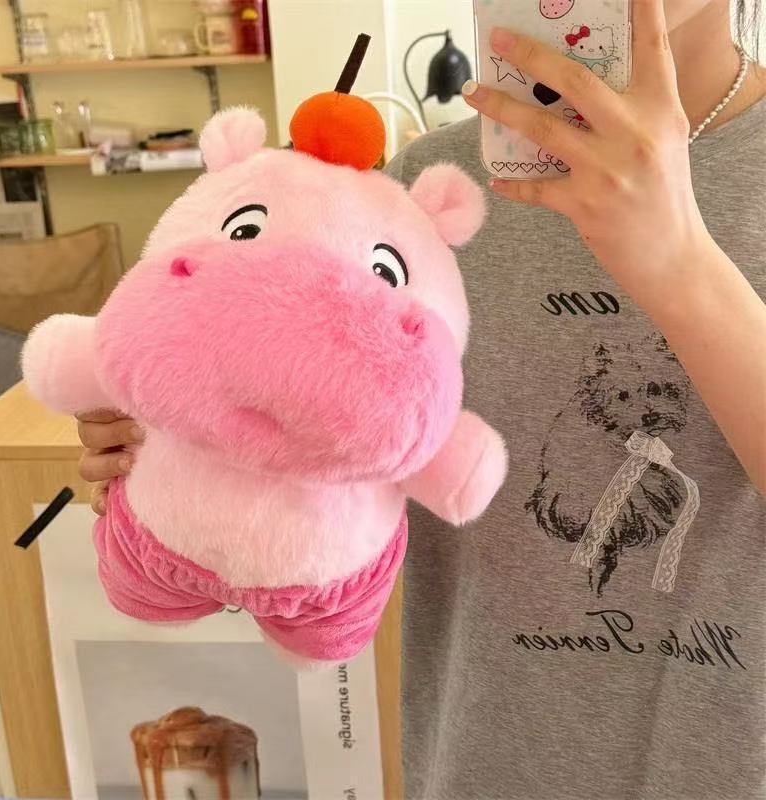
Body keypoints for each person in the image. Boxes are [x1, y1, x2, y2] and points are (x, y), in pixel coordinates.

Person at [77, 1, 765, 797]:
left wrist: (678, 262)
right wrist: (188, 440)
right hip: (482, 759)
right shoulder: (417, 201)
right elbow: (317, 471)